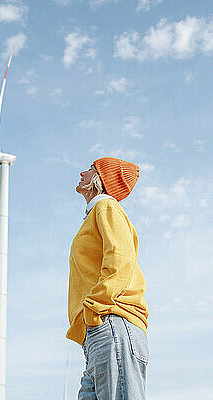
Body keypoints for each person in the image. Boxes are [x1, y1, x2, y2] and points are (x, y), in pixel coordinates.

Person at [66, 156, 149, 400]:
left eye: (90, 169)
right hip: (98, 332)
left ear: (101, 179)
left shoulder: (106, 207)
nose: (82, 172)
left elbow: (119, 259)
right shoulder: (94, 214)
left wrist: (94, 310)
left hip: (111, 322)